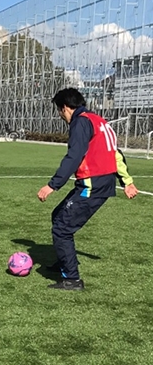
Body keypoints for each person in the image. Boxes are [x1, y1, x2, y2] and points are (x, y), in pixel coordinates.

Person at [38, 87, 136, 290]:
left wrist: (52, 185)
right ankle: (65, 262)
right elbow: (115, 153)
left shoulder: (80, 122)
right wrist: (127, 182)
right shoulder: (99, 121)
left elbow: (75, 155)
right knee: (59, 215)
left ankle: (72, 279)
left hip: (92, 184)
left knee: (62, 228)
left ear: (64, 107)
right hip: (100, 182)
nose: (60, 115)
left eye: (59, 110)